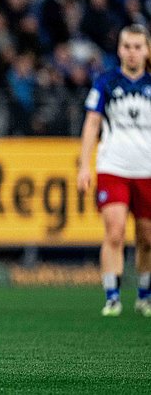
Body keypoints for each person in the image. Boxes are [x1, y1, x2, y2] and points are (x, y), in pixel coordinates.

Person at [78, 23, 151, 318]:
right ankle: (112, 296)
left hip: (146, 168)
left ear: (146, 51)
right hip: (113, 166)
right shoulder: (106, 81)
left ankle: (144, 295)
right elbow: (92, 123)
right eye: (127, 46)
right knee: (115, 232)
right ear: (119, 49)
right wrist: (85, 164)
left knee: (147, 238)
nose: (132, 53)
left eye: (137, 47)